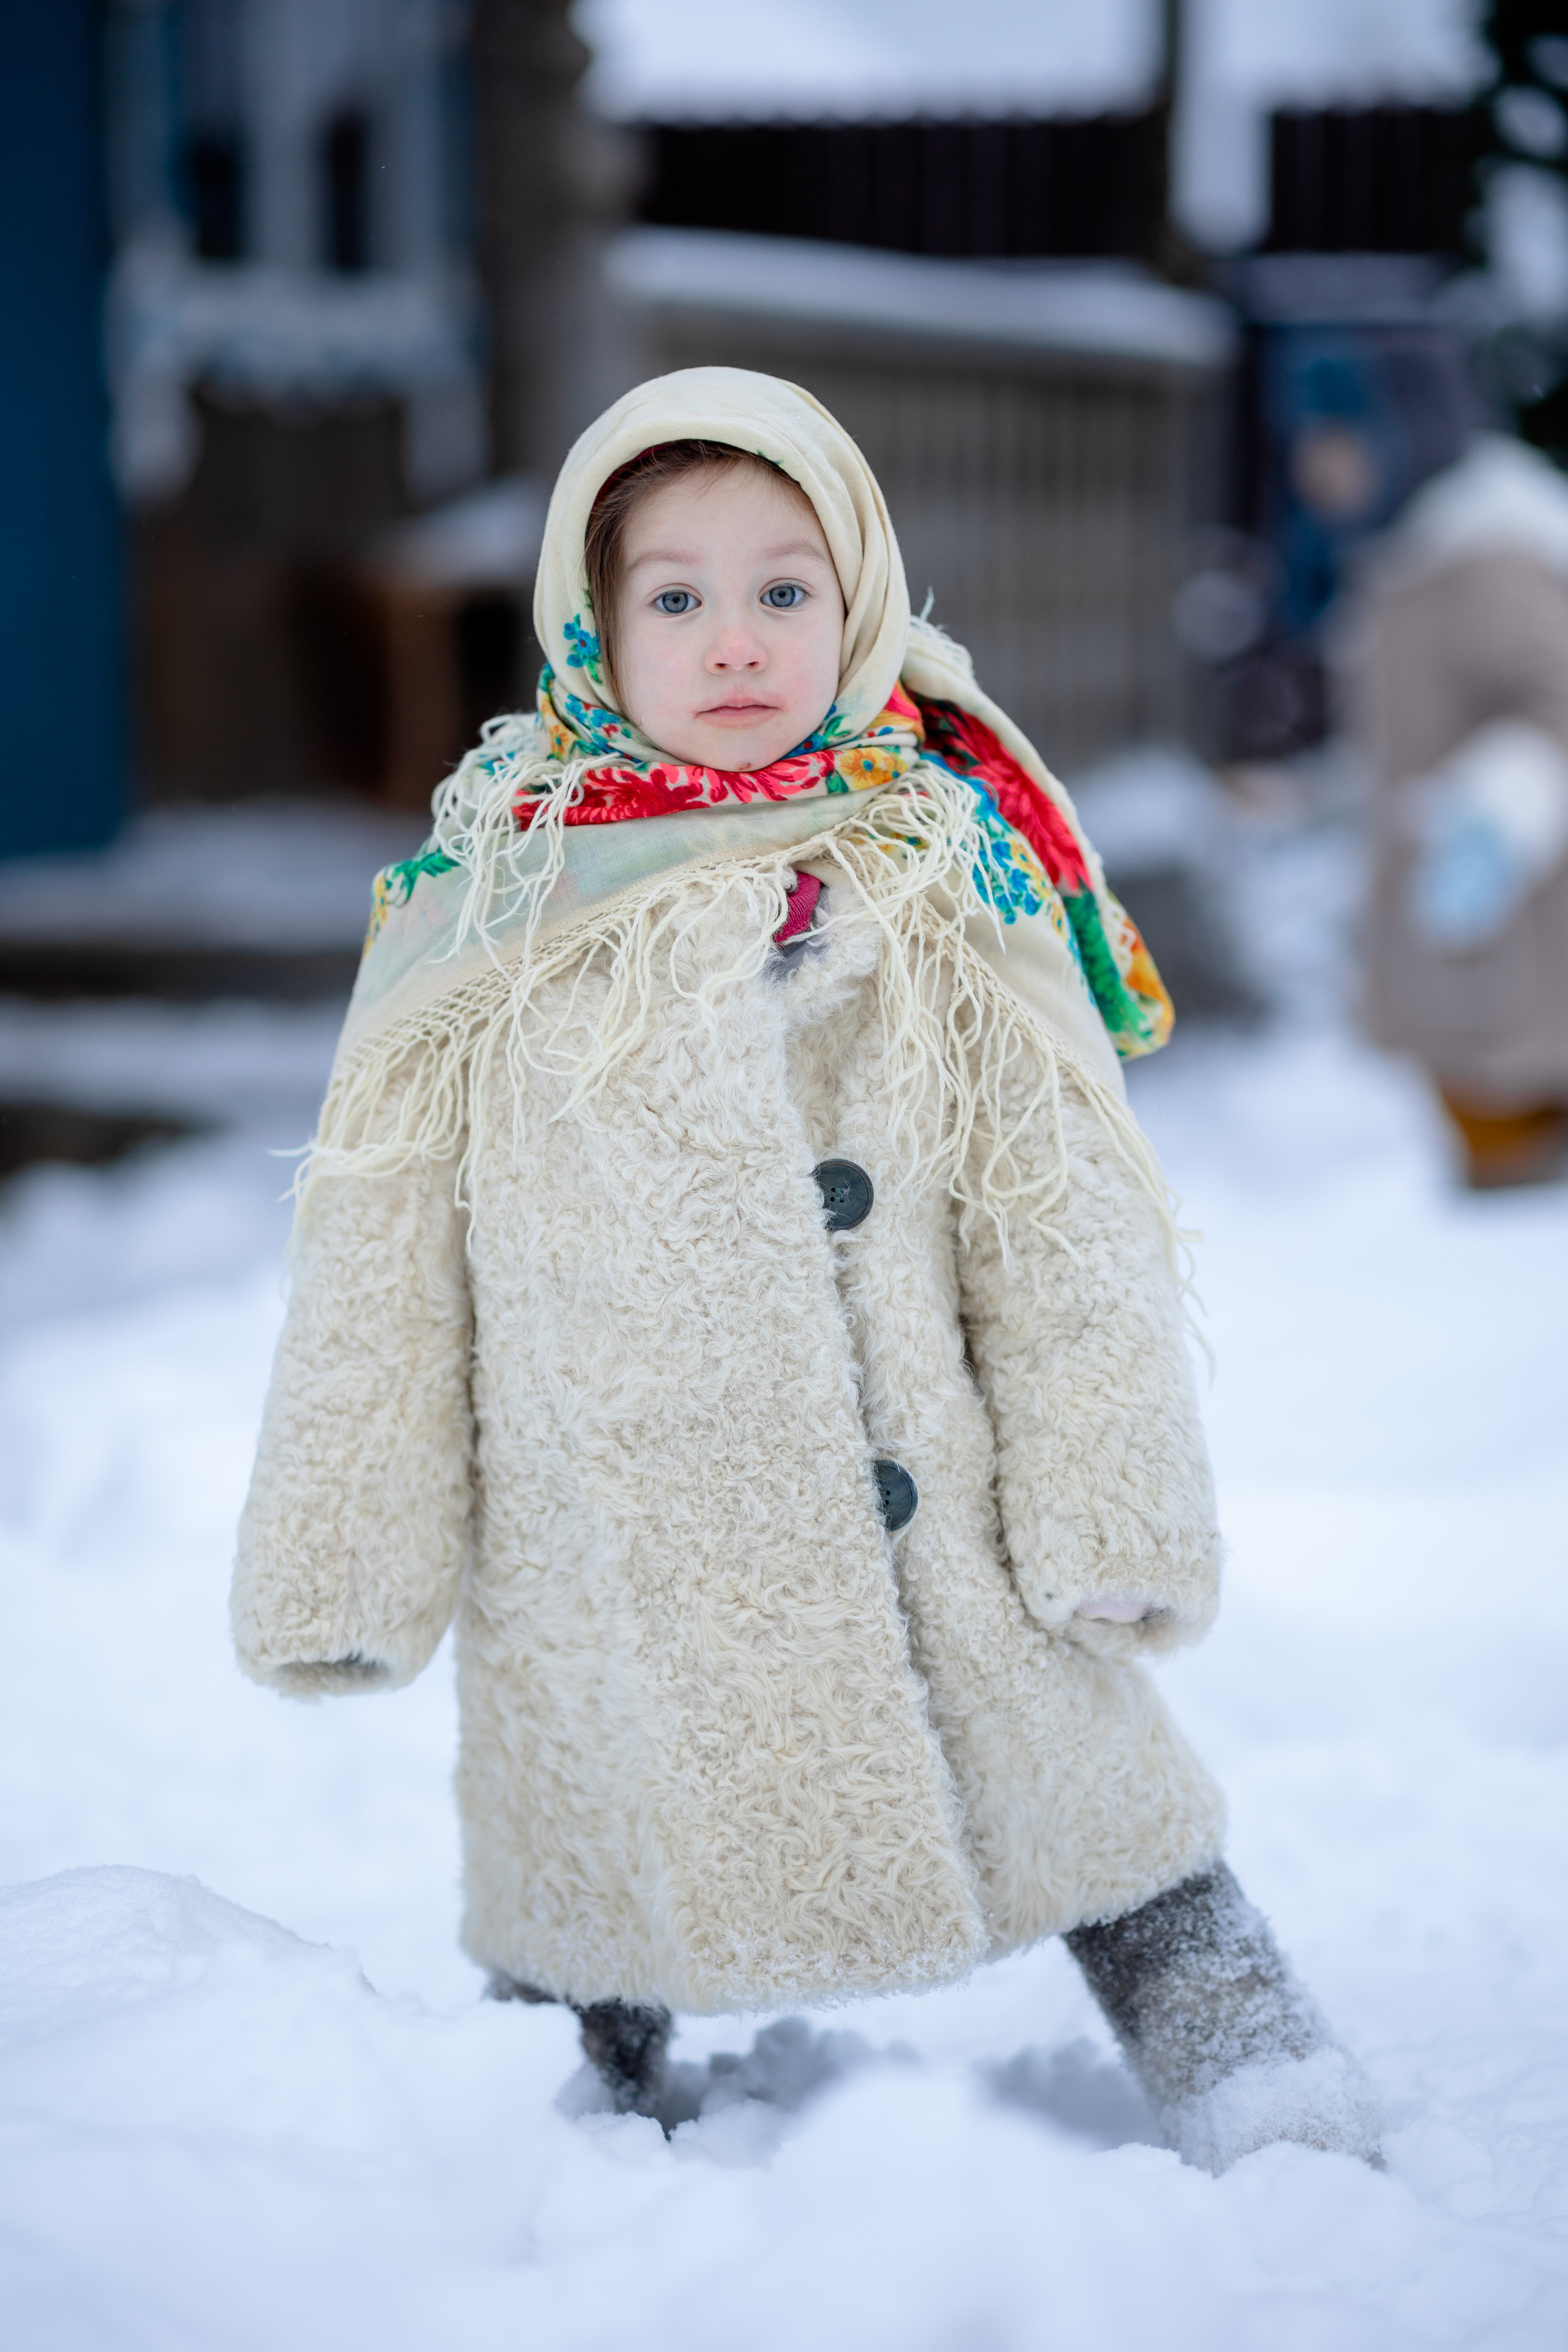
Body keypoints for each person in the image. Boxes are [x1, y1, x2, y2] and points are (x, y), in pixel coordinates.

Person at [232, 369, 1380, 2172]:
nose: (736, 638)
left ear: (859, 604)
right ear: (589, 622)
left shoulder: (940, 873)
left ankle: (1238, 2050)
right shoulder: (496, 900)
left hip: (928, 1524)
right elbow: (377, 1271)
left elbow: (1063, 1230)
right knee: (592, 1854)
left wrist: (1110, 1507)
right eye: (673, 596)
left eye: (786, 587)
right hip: (603, 1543)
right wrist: (344, 1554)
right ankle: (564, 2120)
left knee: (1103, 1813)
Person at [1348, 432, 1568, 1188]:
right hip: (1472, 940)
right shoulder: (1423, 551)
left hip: (1510, 929)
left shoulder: (1484, 559)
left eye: (1339, 438)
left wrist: (1491, 810)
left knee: (1513, 1174)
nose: (1317, 465)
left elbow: (1557, 696)